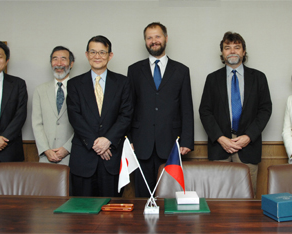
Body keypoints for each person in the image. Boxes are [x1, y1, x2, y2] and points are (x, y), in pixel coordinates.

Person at [199, 32, 272, 196]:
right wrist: (220, 138)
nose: (232, 51)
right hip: (219, 147)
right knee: (218, 197)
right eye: (227, 48)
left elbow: (265, 109)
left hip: (249, 147)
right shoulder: (212, 79)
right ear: (222, 53)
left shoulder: (259, 78)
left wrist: (248, 136)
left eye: (237, 47)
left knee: (247, 199)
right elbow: (205, 111)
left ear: (244, 52)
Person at [128, 22, 194, 197]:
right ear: (145, 41)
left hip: (172, 143)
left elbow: (186, 107)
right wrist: (129, 138)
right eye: (149, 37)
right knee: (143, 196)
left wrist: (187, 140)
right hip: (141, 143)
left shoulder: (181, 70)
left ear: (165, 38)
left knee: (169, 195)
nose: (153, 41)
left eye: (157, 36)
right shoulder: (134, 70)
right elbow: (129, 107)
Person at [66, 36, 132, 197]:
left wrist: (107, 140)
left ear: (110, 55)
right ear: (87, 54)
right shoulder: (74, 84)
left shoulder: (123, 82)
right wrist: (96, 143)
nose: (97, 56)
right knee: (82, 212)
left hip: (112, 157)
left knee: (112, 211)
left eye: (102, 52)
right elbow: (75, 117)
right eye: (93, 52)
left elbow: (126, 115)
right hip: (83, 156)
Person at [32, 46, 75, 165]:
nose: (59, 64)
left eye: (63, 59)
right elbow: (37, 124)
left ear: (71, 63)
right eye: (55, 59)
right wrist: (46, 149)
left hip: (73, 154)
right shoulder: (40, 90)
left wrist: (67, 148)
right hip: (46, 157)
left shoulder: (80, 89)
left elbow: (85, 123)